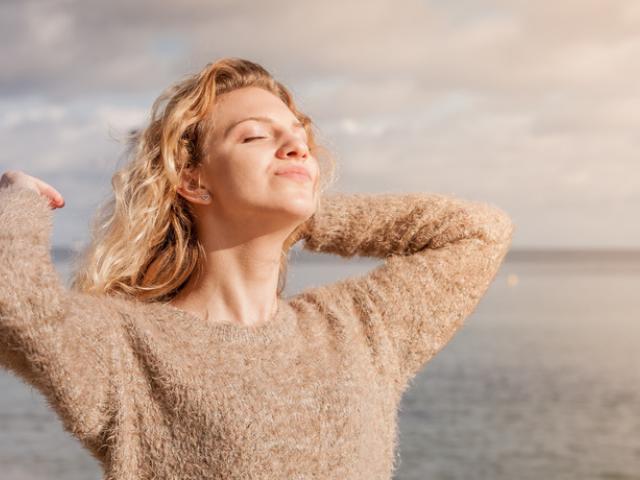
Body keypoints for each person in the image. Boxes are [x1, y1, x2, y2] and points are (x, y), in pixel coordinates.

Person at [0, 57, 515, 480]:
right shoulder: (129, 349)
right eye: (254, 137)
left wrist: (308, 213)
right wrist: (18, 203)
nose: (296, 146)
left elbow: (478, 232)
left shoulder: (359, 329)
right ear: (194, 181)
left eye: (300, 138)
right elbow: (14, 308)